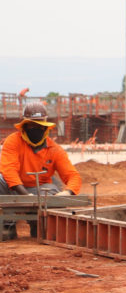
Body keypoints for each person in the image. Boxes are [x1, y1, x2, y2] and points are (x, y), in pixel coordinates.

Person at [0, 102, 82, 240]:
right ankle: (8, 225)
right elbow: (8, 170)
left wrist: (67, 192)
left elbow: (72, 175)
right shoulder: (13, 141)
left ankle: (37, 223)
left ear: (45, 128)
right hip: (14, 188)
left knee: (53, 191)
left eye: (40, 126)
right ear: (24, 127)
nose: (36, 129)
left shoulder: (54, 149)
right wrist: (25, 195)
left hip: (39, 189)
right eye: (32, 126)